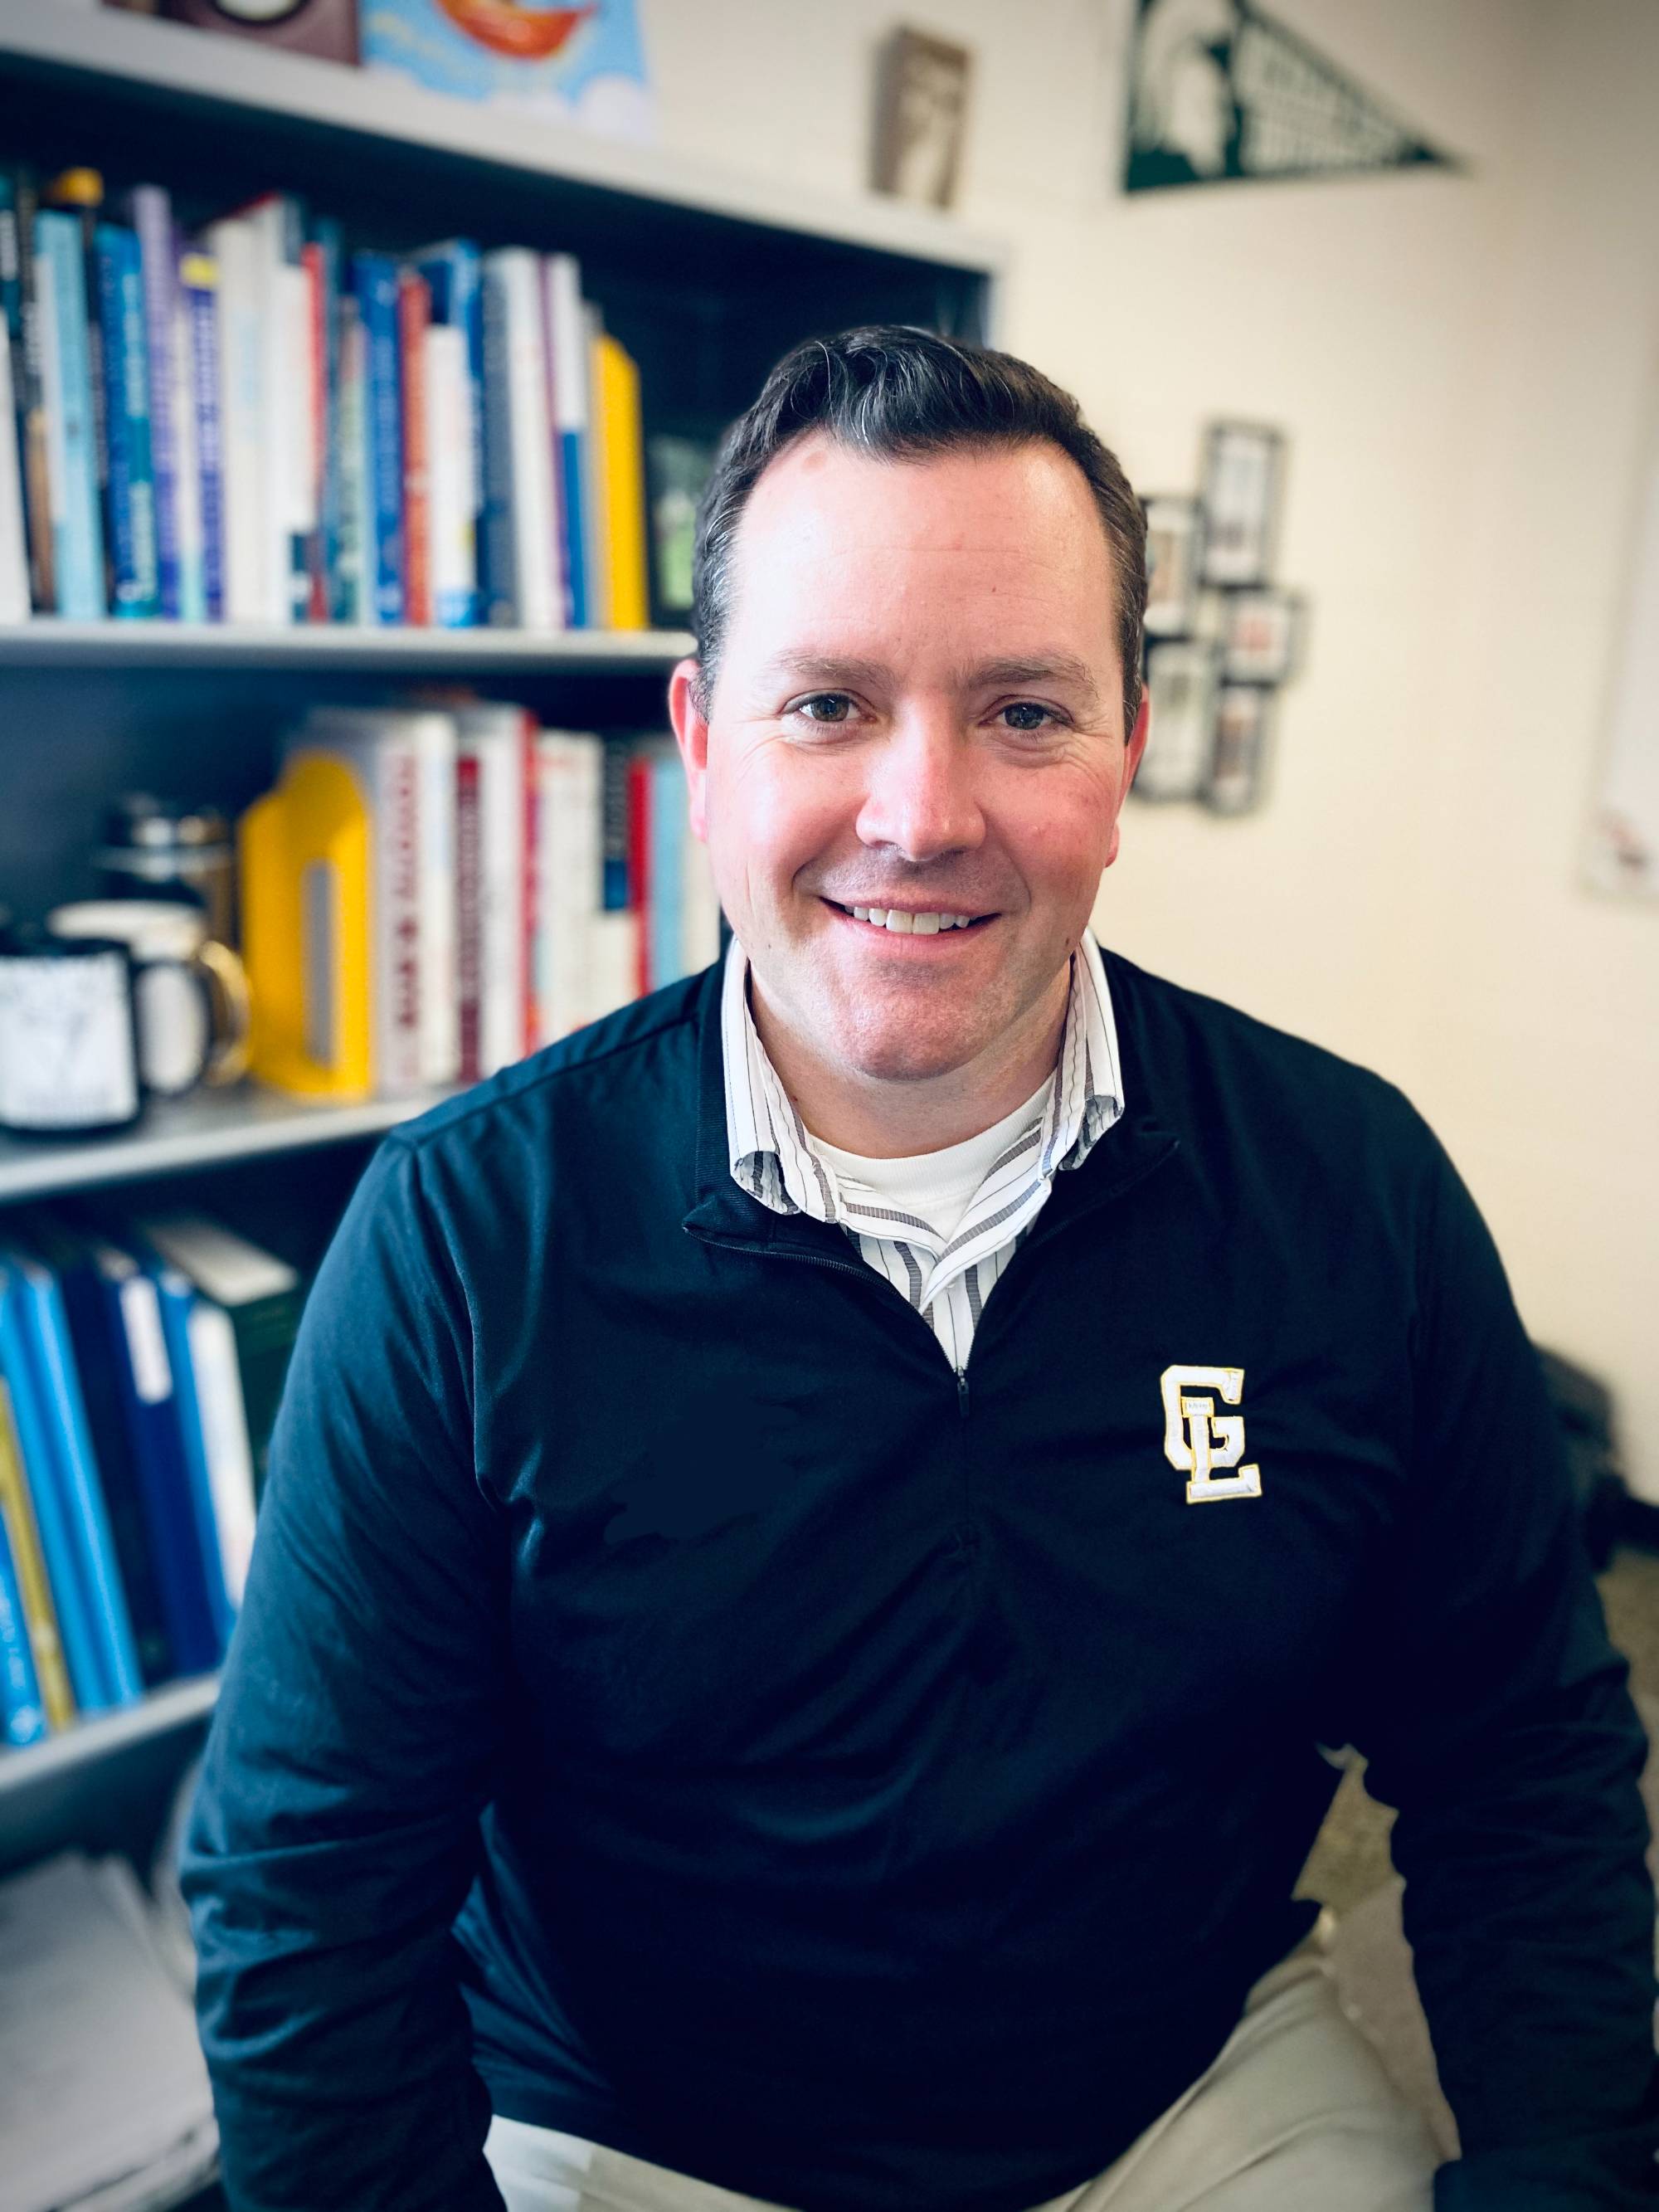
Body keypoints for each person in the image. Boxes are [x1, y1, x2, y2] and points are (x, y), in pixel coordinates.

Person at [182, 327, 1659, 2212]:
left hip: (1188, 2091)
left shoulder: (1351, 1191)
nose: (922, 810)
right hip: (633, 2130)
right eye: (829, 704)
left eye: (1024, 711)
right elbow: (307, 1888)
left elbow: (1519, 1756)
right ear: (703, 741)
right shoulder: (469, 1235)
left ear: (1131, 746)